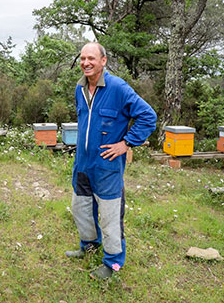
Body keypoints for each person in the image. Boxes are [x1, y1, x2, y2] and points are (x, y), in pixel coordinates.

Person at [66, 42, 157, 279]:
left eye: (91, 58)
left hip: (107, 167)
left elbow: (148, 116)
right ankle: (89, 245)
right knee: (81, 209)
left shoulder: (118, 88)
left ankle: (113, 264)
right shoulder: (80, 88)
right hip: (83, 164)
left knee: (110, 217)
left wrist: (126, 144)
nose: (86, 63)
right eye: (83, 58)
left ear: (103, 61)